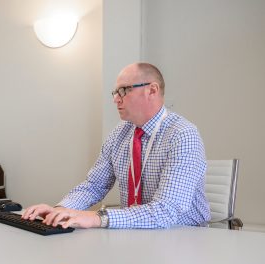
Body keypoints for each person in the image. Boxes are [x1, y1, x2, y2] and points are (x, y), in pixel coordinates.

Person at [22, 62, 211, 229]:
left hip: (184, 236)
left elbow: (165, 211)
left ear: (152, 90)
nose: (116, 99)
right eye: (115, 92)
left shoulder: (183, 135)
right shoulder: (120, 133)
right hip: (136, 234)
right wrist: (61, 210)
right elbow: (94, 185)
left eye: (124, 90)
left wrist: (96, 218)